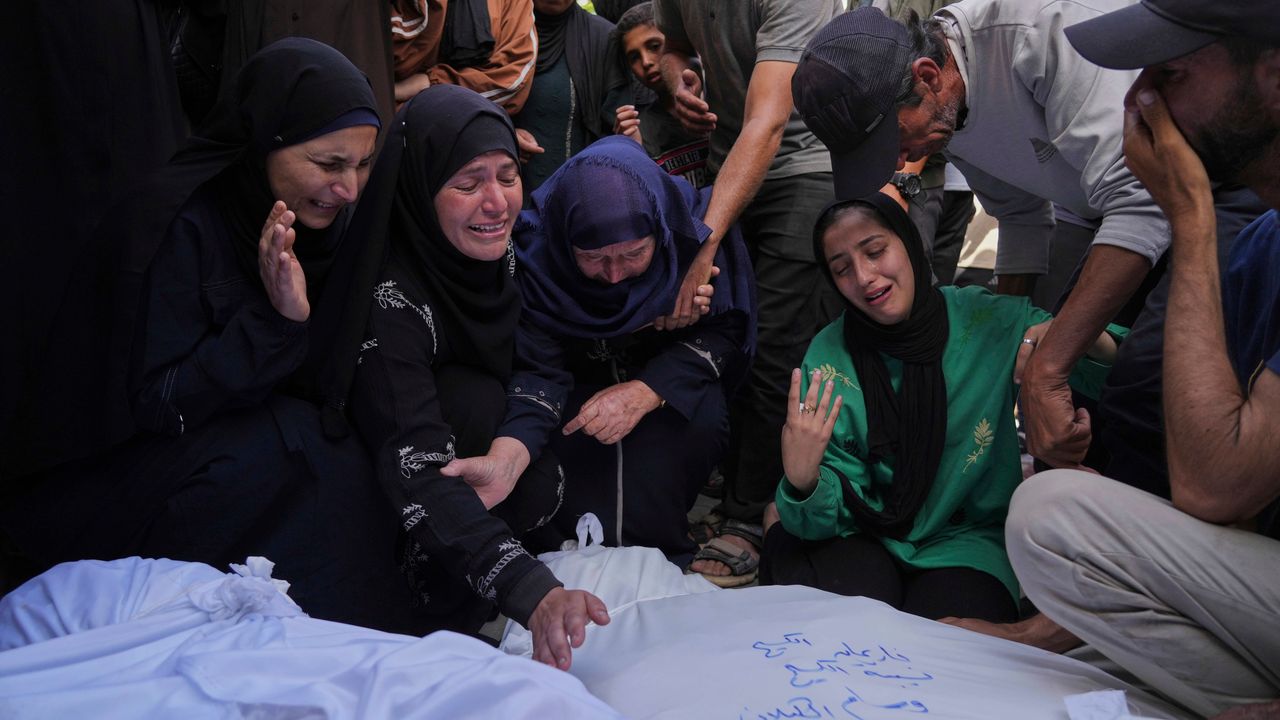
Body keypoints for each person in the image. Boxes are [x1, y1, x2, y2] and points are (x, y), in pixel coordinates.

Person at [0, 38, 423, 631]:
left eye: (362, 164)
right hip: (125, 472)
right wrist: (274, 322)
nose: (350, 188)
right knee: (298, 466)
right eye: (329, 164)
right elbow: (158, 402)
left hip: (254, 442)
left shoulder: (331, 227)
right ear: (266, 141)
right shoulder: (174, 227)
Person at [790, 1, 1265, 503]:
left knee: (1138, 381)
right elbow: (1020, 216)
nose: (900, 159)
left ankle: (1178, 533)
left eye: (895, 139)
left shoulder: (1037, 32)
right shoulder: (946, 110)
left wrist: (1046, 369)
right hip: (1107, 211)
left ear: (927, 76)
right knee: (1067, 398)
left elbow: (1140, 200)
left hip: (1215, 188)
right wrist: (1001, 342)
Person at [993, 3, 1280, 717]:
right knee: (1081, 674)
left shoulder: (1220, 227)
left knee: (1051, 516)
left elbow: (1216, 486)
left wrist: (1190, 216)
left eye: (1170, 75)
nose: (1139, 103)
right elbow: (1233, 512)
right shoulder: (1262, 246)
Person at [319, 84, 609, 670]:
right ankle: (422, 607)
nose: (497, 202)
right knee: (472, 403)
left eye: (508, 175)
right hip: (377, 484)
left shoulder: (505, 256)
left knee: (538, 467)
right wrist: (533, 594)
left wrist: (511, 452)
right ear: (421, 189)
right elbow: (417, 468)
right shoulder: (389, 300)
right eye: (468, 183)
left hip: (469, 465)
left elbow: (543, 360)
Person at [761, 192, 1115, 621]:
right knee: (850, 623)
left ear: (909, 242)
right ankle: (776, 529)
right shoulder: (829, 358)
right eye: (842, 269)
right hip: (861, 530)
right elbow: (828, 510)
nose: (865, 276)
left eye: (875, 251)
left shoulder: (986, 321)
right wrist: (804, 483)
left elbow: (1107, 370)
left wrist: (1067, 337)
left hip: (964, 538)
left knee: (952, 639)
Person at [655, 0, 845, 586]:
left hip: (802, 166)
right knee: (726, 333)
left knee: (774, 348)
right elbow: (673, 48)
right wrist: (680, 81)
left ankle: (748, 516)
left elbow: (767, 122)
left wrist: (704, 241)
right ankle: (730, 482)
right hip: (730, 166)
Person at [502, 136, 754, 569]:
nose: (615, 275)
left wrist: (648, 390)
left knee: (696, 416)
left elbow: (727, 328)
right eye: (594, 258)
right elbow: (537, 359)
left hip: (663, 378)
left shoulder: (689, 229)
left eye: (635, 253)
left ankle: (664, 548)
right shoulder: (536, 254)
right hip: (572, 379)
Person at [514, 0, 632, 195]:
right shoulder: (501, 32)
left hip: (583, 197)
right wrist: (502, 135)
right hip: (504, 199)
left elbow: (621, 134)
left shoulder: (603, 38)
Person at [610, 2, 710, 188]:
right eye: (634, 57)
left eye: (654, 46)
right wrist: (631, 152)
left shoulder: (723, 100)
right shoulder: (640, 130)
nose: (646, 62)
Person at [390, 0, 538, 115]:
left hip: (460, 129)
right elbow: (393, 51)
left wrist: (428, 83)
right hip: (388, 117)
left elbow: (511, 79)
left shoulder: (512, 4)